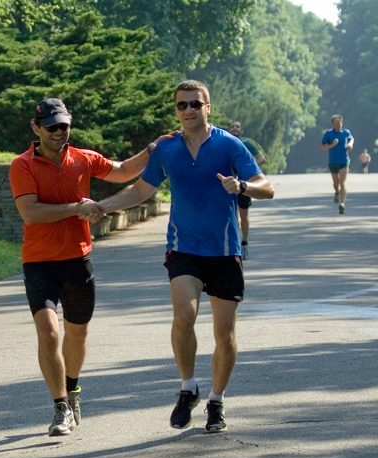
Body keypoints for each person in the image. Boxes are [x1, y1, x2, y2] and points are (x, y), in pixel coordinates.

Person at [97, 80, 275, 433]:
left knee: (224, 336)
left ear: (208, 107)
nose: (189, 110)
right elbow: (139, 191)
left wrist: (241, 186)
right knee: (184, 317)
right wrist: (101, 205)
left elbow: (266, 187)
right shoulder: (167, 150)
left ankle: (216, 400)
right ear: (176, 110)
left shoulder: (229, 145)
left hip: (224, 251)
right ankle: (187, 387)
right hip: (184, 249)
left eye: (196, 104)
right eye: (182, 105)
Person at [9, 98, 173, 437]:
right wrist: (76, 207)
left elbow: (124, 171)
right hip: (39, 262)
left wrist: (152, 149)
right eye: (52, 126)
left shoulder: (83, 158)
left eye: (64, 125)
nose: (59, 131)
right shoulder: (22, 165)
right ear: (36, 128)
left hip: (77, 259)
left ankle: (72, 389)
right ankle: (60, 408)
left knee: (78, 332)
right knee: (49, 333)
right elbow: (31, 213)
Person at [228, 121, 266, 260]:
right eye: (232, 127)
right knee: (232, 216)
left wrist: (247, 168)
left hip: (244, 185)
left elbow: (262, 159)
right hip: (229, 185)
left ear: (242, 131)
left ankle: (244, 242)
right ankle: (235, 245)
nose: (234, 128)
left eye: (237, 127)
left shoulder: (247, 144)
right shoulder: (225, 144)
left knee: (243, 215)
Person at [320, 115, 354, 214]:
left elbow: (351, 138)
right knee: (336, 183)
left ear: (341, 123)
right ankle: (336, 191)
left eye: (339, 123)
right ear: (332, 124)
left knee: (342, 182)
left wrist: (350, 144)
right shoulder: (329, 133)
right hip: (333, 162)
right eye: (335, 123)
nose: (337, 125)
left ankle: (342, 204)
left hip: (344, 161)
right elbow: (322, 147)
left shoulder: (346, 132)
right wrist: (332, 145)